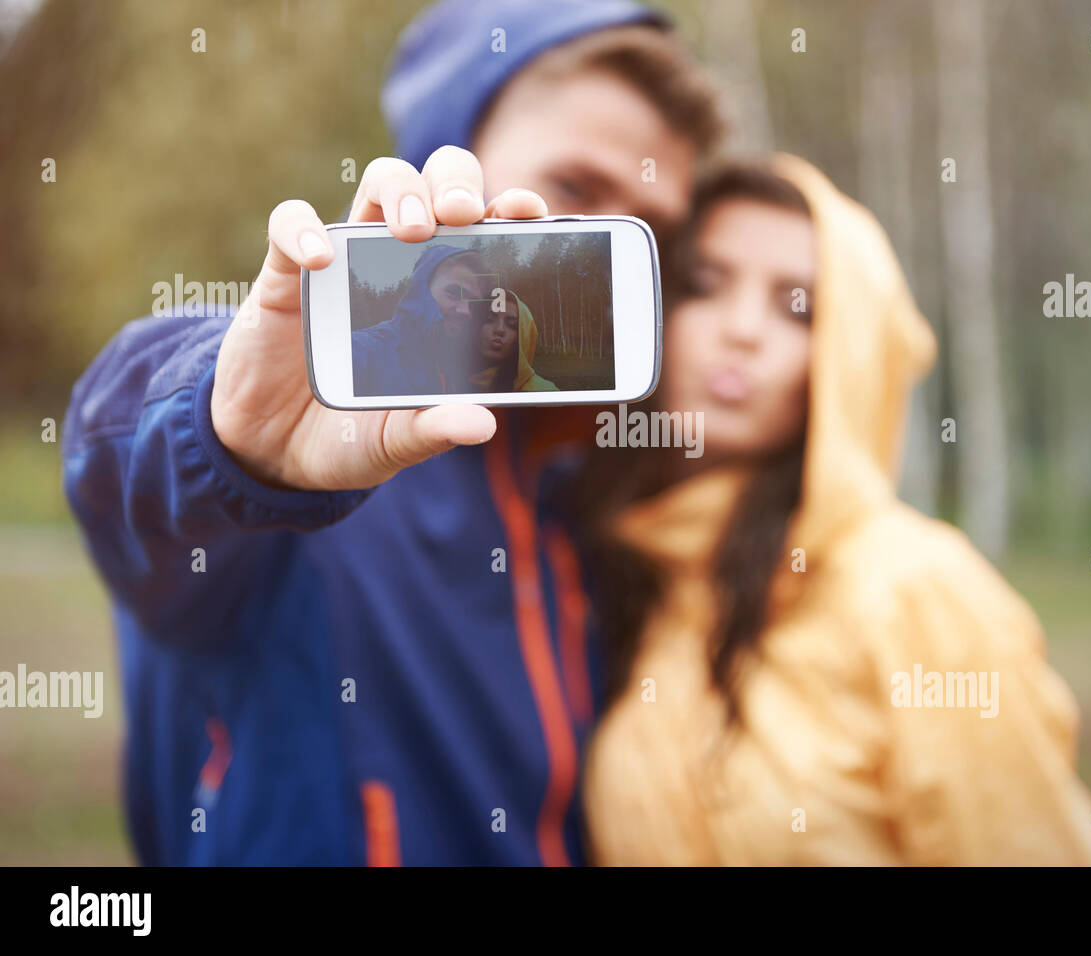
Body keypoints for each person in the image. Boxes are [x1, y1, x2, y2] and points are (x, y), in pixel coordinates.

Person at [61, 0, 722, 865]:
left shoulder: (581, 501)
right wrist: (228, 439)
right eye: (576, 190)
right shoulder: (301, 461)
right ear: (439, 166)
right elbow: (117, 454)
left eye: (649, 225)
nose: (598, 246)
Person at [574, 157, 1091, 866]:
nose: (741, 330)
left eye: (797, 307)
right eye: (703, 285)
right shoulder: (638, 578)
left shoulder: (916, 590)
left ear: (851, 354)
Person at [351, 246, 491, 396]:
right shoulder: (360, 350)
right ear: (420, 291)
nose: (465, 310)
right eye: (453, 293)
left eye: (473, 302)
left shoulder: (455, 367)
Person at [469, 291, 559, 393]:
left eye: (512, 325)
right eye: (489, 320)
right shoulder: (453, 383)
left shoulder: (543, 393)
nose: (499, 329)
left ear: (523, 338)